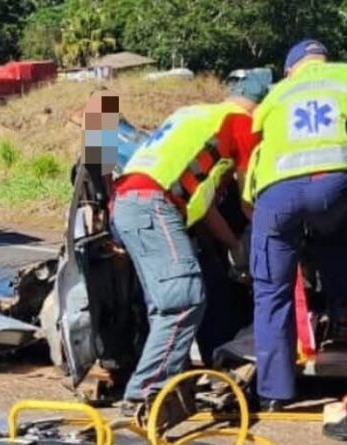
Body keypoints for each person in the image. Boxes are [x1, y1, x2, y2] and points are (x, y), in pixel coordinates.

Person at [109, 74, 270, 419]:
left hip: (129, 204)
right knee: (183, 299)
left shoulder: (193, 115)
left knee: (164, 306)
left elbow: (204, 205)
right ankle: (143, 396)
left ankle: (166, 395)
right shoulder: (242, 122)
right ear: (260, 107)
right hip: (154, 204)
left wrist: (232, 245)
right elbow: (248, 200)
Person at [246, 40, 347, 411]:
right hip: (337, 182)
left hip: (277, 194)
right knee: (335, 236)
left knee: (271, 293)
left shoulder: (274, 95)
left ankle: (274, 393)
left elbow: (252, 160)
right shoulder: (343, 76)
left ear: (290, 69)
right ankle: (340, 320)